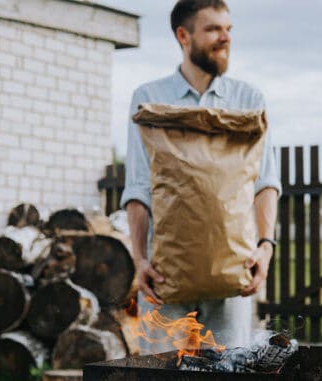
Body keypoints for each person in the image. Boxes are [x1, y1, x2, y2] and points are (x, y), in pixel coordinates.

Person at [120, 0, 281, 353]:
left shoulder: (249, 100)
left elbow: (266, 183)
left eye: (228, 29)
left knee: (230, 368)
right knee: (162, 373)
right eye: (213, 29)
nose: (225, 38)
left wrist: (266, 248)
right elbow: (139, 186)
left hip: (233, 277)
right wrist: (139, 260)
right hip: (165, 277)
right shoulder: (149, 99)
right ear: (183, 36)